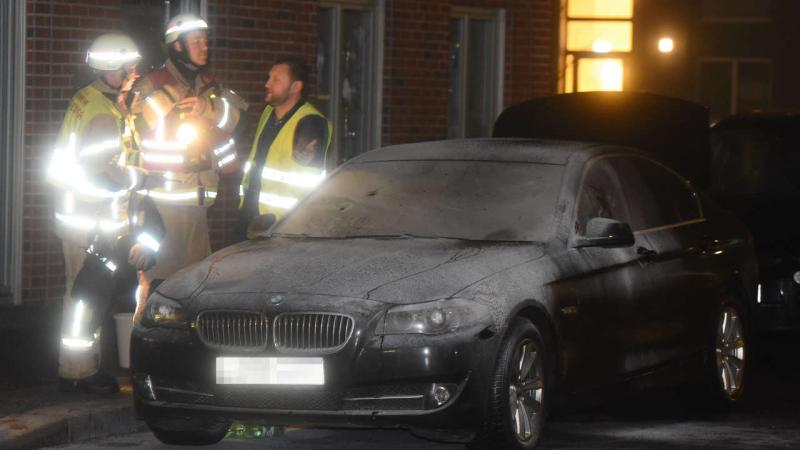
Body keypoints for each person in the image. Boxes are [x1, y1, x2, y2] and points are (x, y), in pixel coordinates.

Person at [47, 33, 163, 394]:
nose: (135, 73)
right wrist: (141, 176)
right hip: (88, 220)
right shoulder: (102, 112)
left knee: (83, 294)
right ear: (112, 70)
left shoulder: (91, 99)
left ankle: (81, 367)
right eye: (129, 67)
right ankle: (78, 373)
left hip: (80, 217)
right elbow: (100, 171)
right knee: (84, 298)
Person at [128, 13, 247, 286]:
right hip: (166, 203)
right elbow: (159, 124)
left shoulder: (209, 86)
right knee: (163, 281)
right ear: (177, 46)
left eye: (206, 41)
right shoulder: (152, 85)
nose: (205, 46)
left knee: (193, 282)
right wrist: (204, 119)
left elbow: (239, 119)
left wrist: (209, 109)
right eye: (197, 41)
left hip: (199, 200)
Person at [237, 57, 332, 240]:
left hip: (284, 227)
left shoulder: (310, 123)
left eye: (276, 79)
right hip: (252, 217)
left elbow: (305, 182)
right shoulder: (268, 113)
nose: (267, 83)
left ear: (296, 87)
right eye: (269, 77)